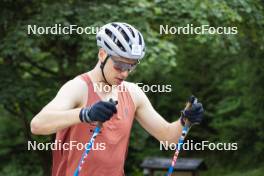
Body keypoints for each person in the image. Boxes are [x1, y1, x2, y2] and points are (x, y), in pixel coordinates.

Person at [30, 22, 204, 176]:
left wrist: (185, 121)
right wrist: (86, 114)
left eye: (131, 66)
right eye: (119, 65)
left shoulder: (133, 93)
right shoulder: (78, 87)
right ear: (102, 55)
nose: (125, 73)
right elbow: (37, 125)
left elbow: (168, 138)